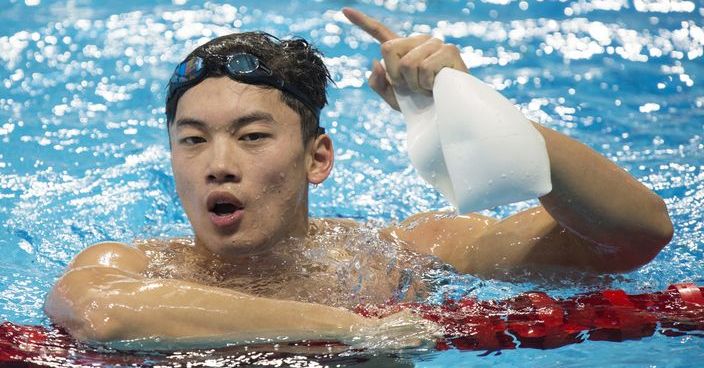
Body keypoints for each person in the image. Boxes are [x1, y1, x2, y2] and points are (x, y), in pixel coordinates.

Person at [44, 8, 673, 348]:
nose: (218, 162)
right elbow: (106, 314)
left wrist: (476, 110)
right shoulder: (132, 263)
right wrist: (354, 329)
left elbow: (631, 240)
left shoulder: (402, 256)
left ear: (318, 159)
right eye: (192, 140)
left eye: (253, 135)